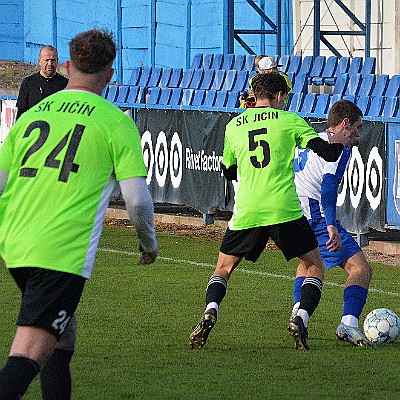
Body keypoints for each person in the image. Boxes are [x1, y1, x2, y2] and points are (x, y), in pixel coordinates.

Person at [0, 29, 158, 400]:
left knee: (63, 333)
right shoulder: (115, 122)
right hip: (60, 251)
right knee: (28, 353)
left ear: (67, 67)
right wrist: (148, 242)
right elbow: (136, 199)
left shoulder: (31, 116)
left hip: (16, 244)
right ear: (110, 74)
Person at [189, 72, 353, 352]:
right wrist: (341, 139)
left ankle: (210, 309)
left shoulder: (234, 125)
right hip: (283, 208)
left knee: (223, 268)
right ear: (278, 96)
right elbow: (327, 153)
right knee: (314, 266)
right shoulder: (290, 121)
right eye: (285, 96)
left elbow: (228, 170)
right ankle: (300, 317)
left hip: (248, 210)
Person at [291, 99, 374, 347]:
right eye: (357, 127)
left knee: (307, 263)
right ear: (345, 123)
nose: (358, 134)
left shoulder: (310, 140)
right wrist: (330, 223)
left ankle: (298, 314)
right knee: (360, 269)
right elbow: (328, 187)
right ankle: (348, 324)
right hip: (315, 215)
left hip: (292, 213)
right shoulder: (338, 149)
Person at [16, 45, 68, 119]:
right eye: (47, 60)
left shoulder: (65, 84)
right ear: (39, 61)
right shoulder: (28, 83)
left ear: (57, 61)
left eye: (53, 60)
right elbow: (21, 112)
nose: (50, 64)